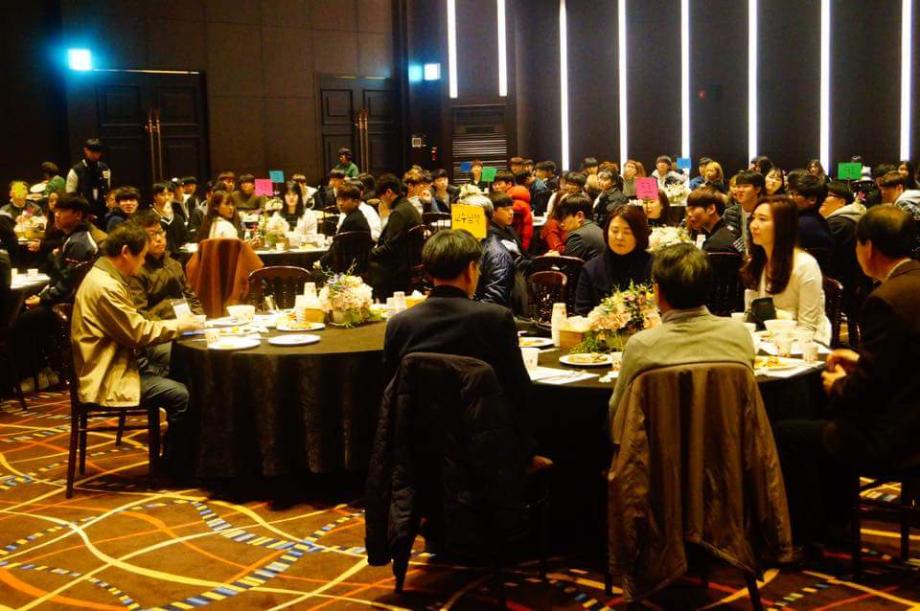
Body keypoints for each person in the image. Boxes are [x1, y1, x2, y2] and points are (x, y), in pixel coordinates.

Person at [773, 205, 920, 546]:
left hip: (898, 437)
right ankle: (836, 522)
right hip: (911, 416)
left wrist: (838, 383)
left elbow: (867, 391)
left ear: (868, 248)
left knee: (788, 431)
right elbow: (902, 363)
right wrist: (860, 361)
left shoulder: (885, 299)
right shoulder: (910, 286)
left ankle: (811, 534)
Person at [382, 229, 538, 458]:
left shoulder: (399, 324)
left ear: (429, 272)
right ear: (471, 269)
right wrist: (527, 454)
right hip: (486, 449)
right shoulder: (495, 318)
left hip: (419, 448)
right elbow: (518, 391)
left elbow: (392, 395)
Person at [72, 222, 203, 474]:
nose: (143, 263)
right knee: (183, 396)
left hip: (122, 360)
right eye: (141, 256)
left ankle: (186, 459)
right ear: (125, 252)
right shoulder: (105, 286)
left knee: (184, 370)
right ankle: (174, 467)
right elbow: (137, 332)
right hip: (109, 374)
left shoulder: (106, 276)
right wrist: (180, 326)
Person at [608, 243, 755, 440]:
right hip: (729, 450)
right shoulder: (739, 334)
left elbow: (618, 412)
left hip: (658, 455)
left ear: (657, 292)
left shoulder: (641, 345)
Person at [741, 196, 831, 344]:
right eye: (753, 218)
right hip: (768, 338)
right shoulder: (759, 261)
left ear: (782, 226)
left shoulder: (805, 265)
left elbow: (808, 327)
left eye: (762, 219)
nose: (754, 225)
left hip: (805, 343)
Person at [574, 205, 653, 315]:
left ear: (639, 235)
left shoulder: (654, 267)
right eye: (615, 231)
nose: (619, 237)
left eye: (627, 232)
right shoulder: (591, 269)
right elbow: (582, 314)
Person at [369, 174, 421, 299]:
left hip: (399, 268)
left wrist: (369, 253)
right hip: (410, 262)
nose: (381, 201)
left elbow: (389, 248)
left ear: (388, 192)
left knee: (366, 264)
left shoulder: (399, 212)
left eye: (381, 197)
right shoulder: (408, 207)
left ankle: (377, 301)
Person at [820, 181, 868, 303]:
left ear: (842, 202)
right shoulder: (847, 219)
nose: (822, 199)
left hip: (841, 288)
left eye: (827, 195)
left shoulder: (839, 224)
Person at [318, 183, 371, 269]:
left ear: (356, 202)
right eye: (338, 199)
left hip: (346, 268)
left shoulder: (351, 220)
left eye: (345, 200)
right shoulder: (358, 216)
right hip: (358, 267)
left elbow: (336, 247)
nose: (340, 203)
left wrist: (321, 262)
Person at [786, 170, 834, 253]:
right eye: (790, 193)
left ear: (812, 200)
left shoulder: (802, 225)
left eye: (795, 194)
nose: (789, 197)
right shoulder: (815, 219)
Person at [66, 138, 111, 222]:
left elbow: (107, 189)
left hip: (102, 211)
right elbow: (70, 195)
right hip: (83, 213)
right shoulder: (76, 170)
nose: (95, 155)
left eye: (97, 153)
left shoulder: (105, 168)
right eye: (92, 152)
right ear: (85, 150)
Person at [685, 187, 739, 253]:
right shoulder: (731, 230)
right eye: (688, 210)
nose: (689, 214)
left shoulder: (715, 245)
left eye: (693, 209)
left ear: (711, 209)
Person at [723, 170, 765, 254]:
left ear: (757, 189)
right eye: (738, 186)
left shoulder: (766, 213)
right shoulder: (730, 213)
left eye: (745, 186)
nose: (740, 190)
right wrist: (743, 254)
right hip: (738, 256)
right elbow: (731, 239)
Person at [556, 194, 605, 261]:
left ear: (579, 216)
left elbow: (567, 266)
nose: (562, 224)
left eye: (564, 218)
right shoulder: (595, 228)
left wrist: (554, 258)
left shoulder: (577, 237)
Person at [149, 182, 187, 254]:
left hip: (178, 256)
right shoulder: (149, 217)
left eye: (170, 194)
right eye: (162, 195)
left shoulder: (178, 217)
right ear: (155, 196)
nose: (167, 197)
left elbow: (185, 239)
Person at [507, 184, 534, 251]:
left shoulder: (508, 204)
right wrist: (525, 245)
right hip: (519, 236)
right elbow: (528, 227)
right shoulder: (526, 207)